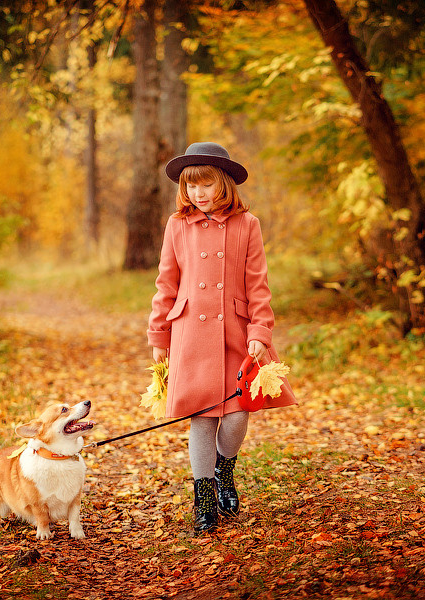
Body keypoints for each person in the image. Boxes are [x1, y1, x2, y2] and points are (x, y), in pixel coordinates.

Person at [147, 141, 297, 534]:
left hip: (236, 331)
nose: (198, 194)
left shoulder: (248, 224)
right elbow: (166, 282)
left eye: (206, 185)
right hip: (191, 333)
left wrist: (260, 330)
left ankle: (224, 468)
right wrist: (159, 334)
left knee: (236, 416)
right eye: (190, 186)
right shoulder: (177, 225)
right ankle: (204, 497)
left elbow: (258, 285)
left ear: (225, 184)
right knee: (201, 416)